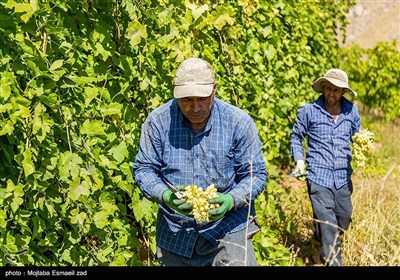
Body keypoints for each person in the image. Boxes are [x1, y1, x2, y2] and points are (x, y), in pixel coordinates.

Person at [132, 57, 268, 266]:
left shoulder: (238, 122)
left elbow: (256, 175)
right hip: (176, 233)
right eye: (187, 100)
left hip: (227, 229)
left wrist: (231, 200)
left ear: (214, 90)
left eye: (202, 99)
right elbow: (144, 169)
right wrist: (166, 196)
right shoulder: (157, 122)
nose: (195, 107)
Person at [289, 68, 361, 266]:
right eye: (328, 88)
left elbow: (358, 134)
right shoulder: (309, 111)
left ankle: (320, 240)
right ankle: (333, 261)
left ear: (343, 92)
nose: (331, 93)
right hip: (318, 175)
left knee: (343, 217)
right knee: (328, 222)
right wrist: (300, 160)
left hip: (343, 177)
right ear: (322, 89)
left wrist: (363, 142)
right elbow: (296, 136)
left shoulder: (351, 111)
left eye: (336, 90)